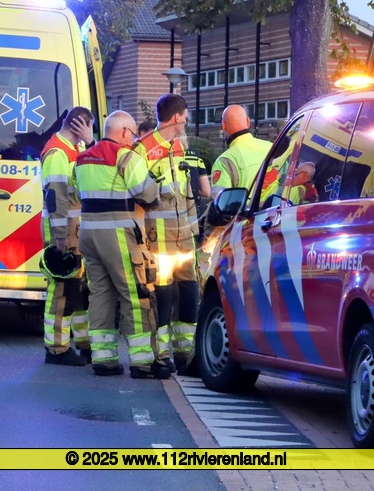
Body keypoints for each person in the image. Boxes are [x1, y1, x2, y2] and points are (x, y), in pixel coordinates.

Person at [73, 110, 170, 379]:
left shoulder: (81, 159)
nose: (134, 139)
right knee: (135, 293)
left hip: (88, 233)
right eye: (133, 134)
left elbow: (77, 191)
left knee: (100, 294)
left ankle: (104, 359)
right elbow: (147, 195)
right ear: (125, 132)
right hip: (117, 234)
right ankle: (142, 362)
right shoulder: (127, 157)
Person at [135, 94, 198, 373]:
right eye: (185, 117)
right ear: (176, 117)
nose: (186, 122)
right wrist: (139, 239)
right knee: (162, 296)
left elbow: (188, 195)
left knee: (188, 293)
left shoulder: (180, 146)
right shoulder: (142, 149)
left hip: (183, 239)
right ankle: (160, 355)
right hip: (157, 240)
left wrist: (195, 231)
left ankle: (186, 354)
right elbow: (135, 198)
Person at [40, 107, 95, 366]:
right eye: (89, 127)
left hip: (75, 229)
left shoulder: (73, 150)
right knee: (62, 290)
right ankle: (56, 348)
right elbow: (56, 197)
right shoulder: (57, 153)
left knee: (78, 290)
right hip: (64, 231)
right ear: (80, 126)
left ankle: (84, 343)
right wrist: (60, 236)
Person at [209, 105, 274, 201]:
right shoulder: (272, 148)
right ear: (248, 122)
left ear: (223, 125)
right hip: (279, 210)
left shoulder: (225, 161)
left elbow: (219, 203)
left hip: (247, 211)